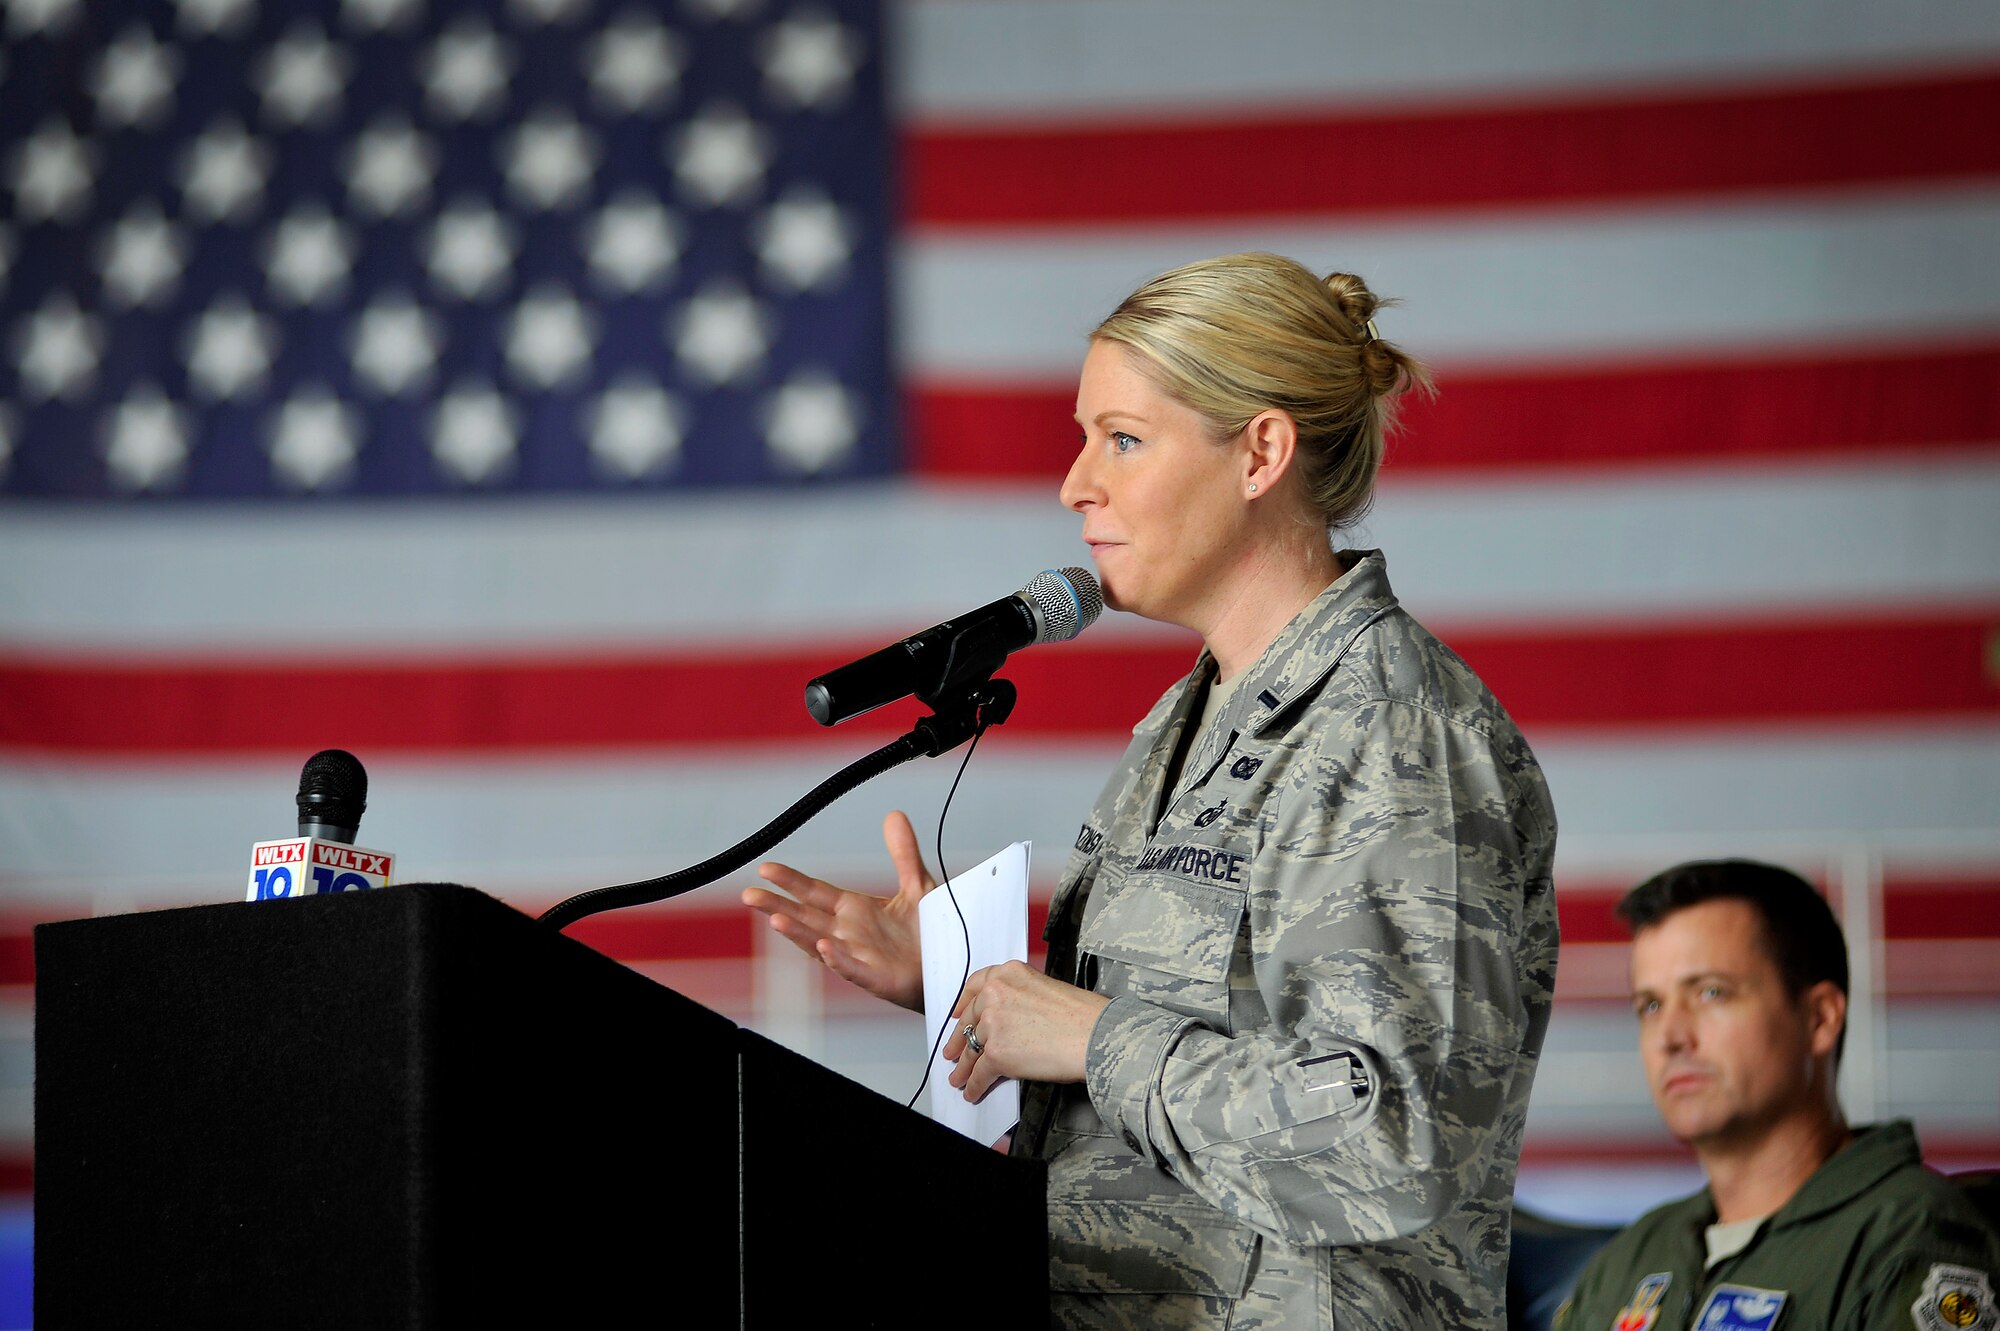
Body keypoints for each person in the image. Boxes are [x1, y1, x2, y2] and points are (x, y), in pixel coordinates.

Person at [744, 252, 1560, 1329]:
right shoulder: (1195, 717)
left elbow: (1393, 1139)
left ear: (1260, 451)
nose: (1076, 482)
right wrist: (962, 983)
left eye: (1122, 439)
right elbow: (1183, 1042)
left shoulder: (1388, 728)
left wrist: (1087, 1036)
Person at [1556, 859, 2000, 1331]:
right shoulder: (1631, 1258)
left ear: (1820, 1019)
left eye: (1711, 993)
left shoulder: (1913, 1238)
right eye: (1650, 1005)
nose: (1670, 1036)